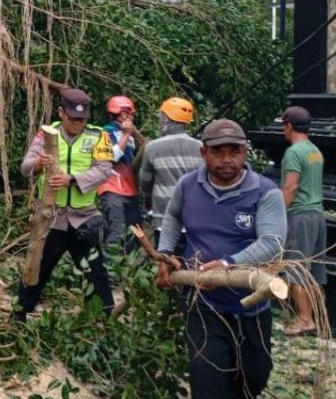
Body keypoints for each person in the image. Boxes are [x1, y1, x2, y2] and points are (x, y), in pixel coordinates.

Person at [155, 119, 287, 399]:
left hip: (249, 304)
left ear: (246, 152)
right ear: (204, 153)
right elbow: (171, 219)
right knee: (206, 372)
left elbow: (273, 243)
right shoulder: (188, 186)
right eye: (218, 151)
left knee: (253, 377)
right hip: (203, 303)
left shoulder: (264, 192)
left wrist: (229, 265)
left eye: (235, 151)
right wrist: (166, 254)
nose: (226, 159)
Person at [14, 88, 116, 318]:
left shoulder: (99, 136)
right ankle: (18, 315)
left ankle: (105, 320)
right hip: (52, 217)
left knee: (94, 272)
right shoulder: (46, 134)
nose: (77, 124)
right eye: (73, 119)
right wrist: (39, 163)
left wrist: (72, 180)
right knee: (38, 267)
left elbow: (104, 170)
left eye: (82, 119)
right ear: (61, 112)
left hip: (84, 218)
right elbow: (25, 168)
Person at [279, 106, 327, 336]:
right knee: (312, 270)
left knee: (295, 267)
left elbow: (291, 186)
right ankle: (313, 316)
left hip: (299, 215)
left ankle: (305, 319)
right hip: (317, 214)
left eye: (283, 125)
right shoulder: (314, 151)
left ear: (289, 126)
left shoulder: (293, 152)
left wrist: (277, 215)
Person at [139, 96, 203, 239]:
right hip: (194, 220)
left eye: (161, 117)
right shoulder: (200, 147)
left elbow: (144, 183)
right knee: (193, 261)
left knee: (166, 259)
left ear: (167, 119)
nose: (160, 122)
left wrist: (148, 204)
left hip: (164, 220)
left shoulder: (153, 148)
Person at [98, 95, 143, 246]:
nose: (132, 117)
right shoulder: (105, 132)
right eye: (131, 114)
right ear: (123, 114)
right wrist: (126, 134)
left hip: (130, 191)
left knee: (135, 236)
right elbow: (113, 157)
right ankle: (110, 268)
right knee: (117, 234)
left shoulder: (129, 136)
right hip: (112, 191)